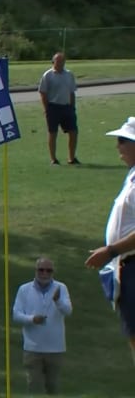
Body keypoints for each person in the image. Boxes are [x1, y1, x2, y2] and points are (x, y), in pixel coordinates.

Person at [85, 116, 135, 366]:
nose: (118, 146)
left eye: (123, 141)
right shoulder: (132, 175)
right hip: (124, 266)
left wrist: (111, 249)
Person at [12, 257, 72, 394]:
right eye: (41, 270)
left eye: (48, 271)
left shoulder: (61, 288)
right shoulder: (24, 289)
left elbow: (68, 311)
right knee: (34, 385)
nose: (44, 274)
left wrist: (57, 301)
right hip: (33, 348)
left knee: (53, 386)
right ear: (35, 271)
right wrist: (32, 319)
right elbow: (16, 315)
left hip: (55, 348)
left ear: (53, 272)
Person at [38, 52, 79, 165]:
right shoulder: (48, 75)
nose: (61, 63)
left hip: (67, 107)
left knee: (73, 132)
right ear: (53, 62)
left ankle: (71, 158)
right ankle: (53, 159)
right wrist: (47, 108)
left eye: (63, 61)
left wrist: (72, 107)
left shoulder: (69, 74)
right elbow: (43, 93)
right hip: (53, 107)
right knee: (53, 133)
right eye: (58, 61)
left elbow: (72, 92)